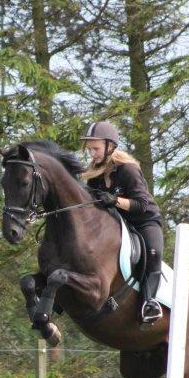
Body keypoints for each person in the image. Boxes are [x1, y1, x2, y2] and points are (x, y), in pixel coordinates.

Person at [80, 120, 164, 324]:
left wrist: (115, 200)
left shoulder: (128, 169)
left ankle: (150, 303)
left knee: (154, 252)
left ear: (110, 146)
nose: (92, 154)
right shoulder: (94, 177)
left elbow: (142, 204)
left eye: (96, 148)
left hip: (143, 221)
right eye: (90, 149)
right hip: (116, 225)